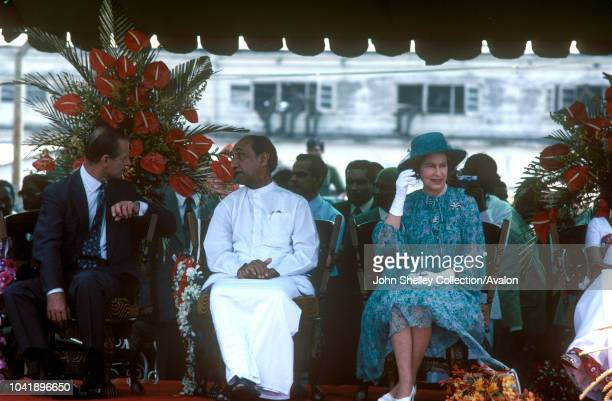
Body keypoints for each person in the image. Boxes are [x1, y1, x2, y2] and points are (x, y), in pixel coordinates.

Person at [3, 125, 176, 397]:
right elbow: (46, 245)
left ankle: (96, 375)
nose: (129, 163)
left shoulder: (124, 190)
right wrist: (54, 291)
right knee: (16, 292)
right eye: (124, 158)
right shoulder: (60, 193)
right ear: (106, 160)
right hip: (73, 275)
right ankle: (50, 367)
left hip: (114, 275)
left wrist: (139, 207)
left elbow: (169, 224)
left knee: (88, 281)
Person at [357, 132, 504, 401]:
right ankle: (407, 389)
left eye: (442, 165)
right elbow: (386, 249)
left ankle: (403, 388)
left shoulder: (465, 204)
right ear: (417, 170)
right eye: (430, 166)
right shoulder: (408, 205)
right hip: (411, 287)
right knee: (407, 301)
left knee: (411, 300)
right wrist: (399, 196)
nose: (437, 172)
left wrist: (439, 275)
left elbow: (475, 260)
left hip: (456, 290)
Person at [203, 135, 319, 401]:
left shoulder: (294, 203)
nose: (233, 163)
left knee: (273, 296)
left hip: (282, 276)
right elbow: (216, 251)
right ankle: (241, 379)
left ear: (263, 159)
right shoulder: (228, 204)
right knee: (221, 294)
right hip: (236, 276)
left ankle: (272, 387)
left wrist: (274, 270)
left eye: (240, 156)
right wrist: (241, 267)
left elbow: (307, 253)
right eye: (233, 157)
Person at [562, 186, 612, 400]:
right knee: (606, 289)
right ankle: (585, 355)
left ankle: (591, 358)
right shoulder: (598, 225)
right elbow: (594, 263)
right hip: (605, 279)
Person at [461, 153, 512, 228]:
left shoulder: (502, 208)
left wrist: (481, 207)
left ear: (490, 181)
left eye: (476, 178)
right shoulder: (454, 198)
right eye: (468, 177)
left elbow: (492, 237)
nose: (472, 182)